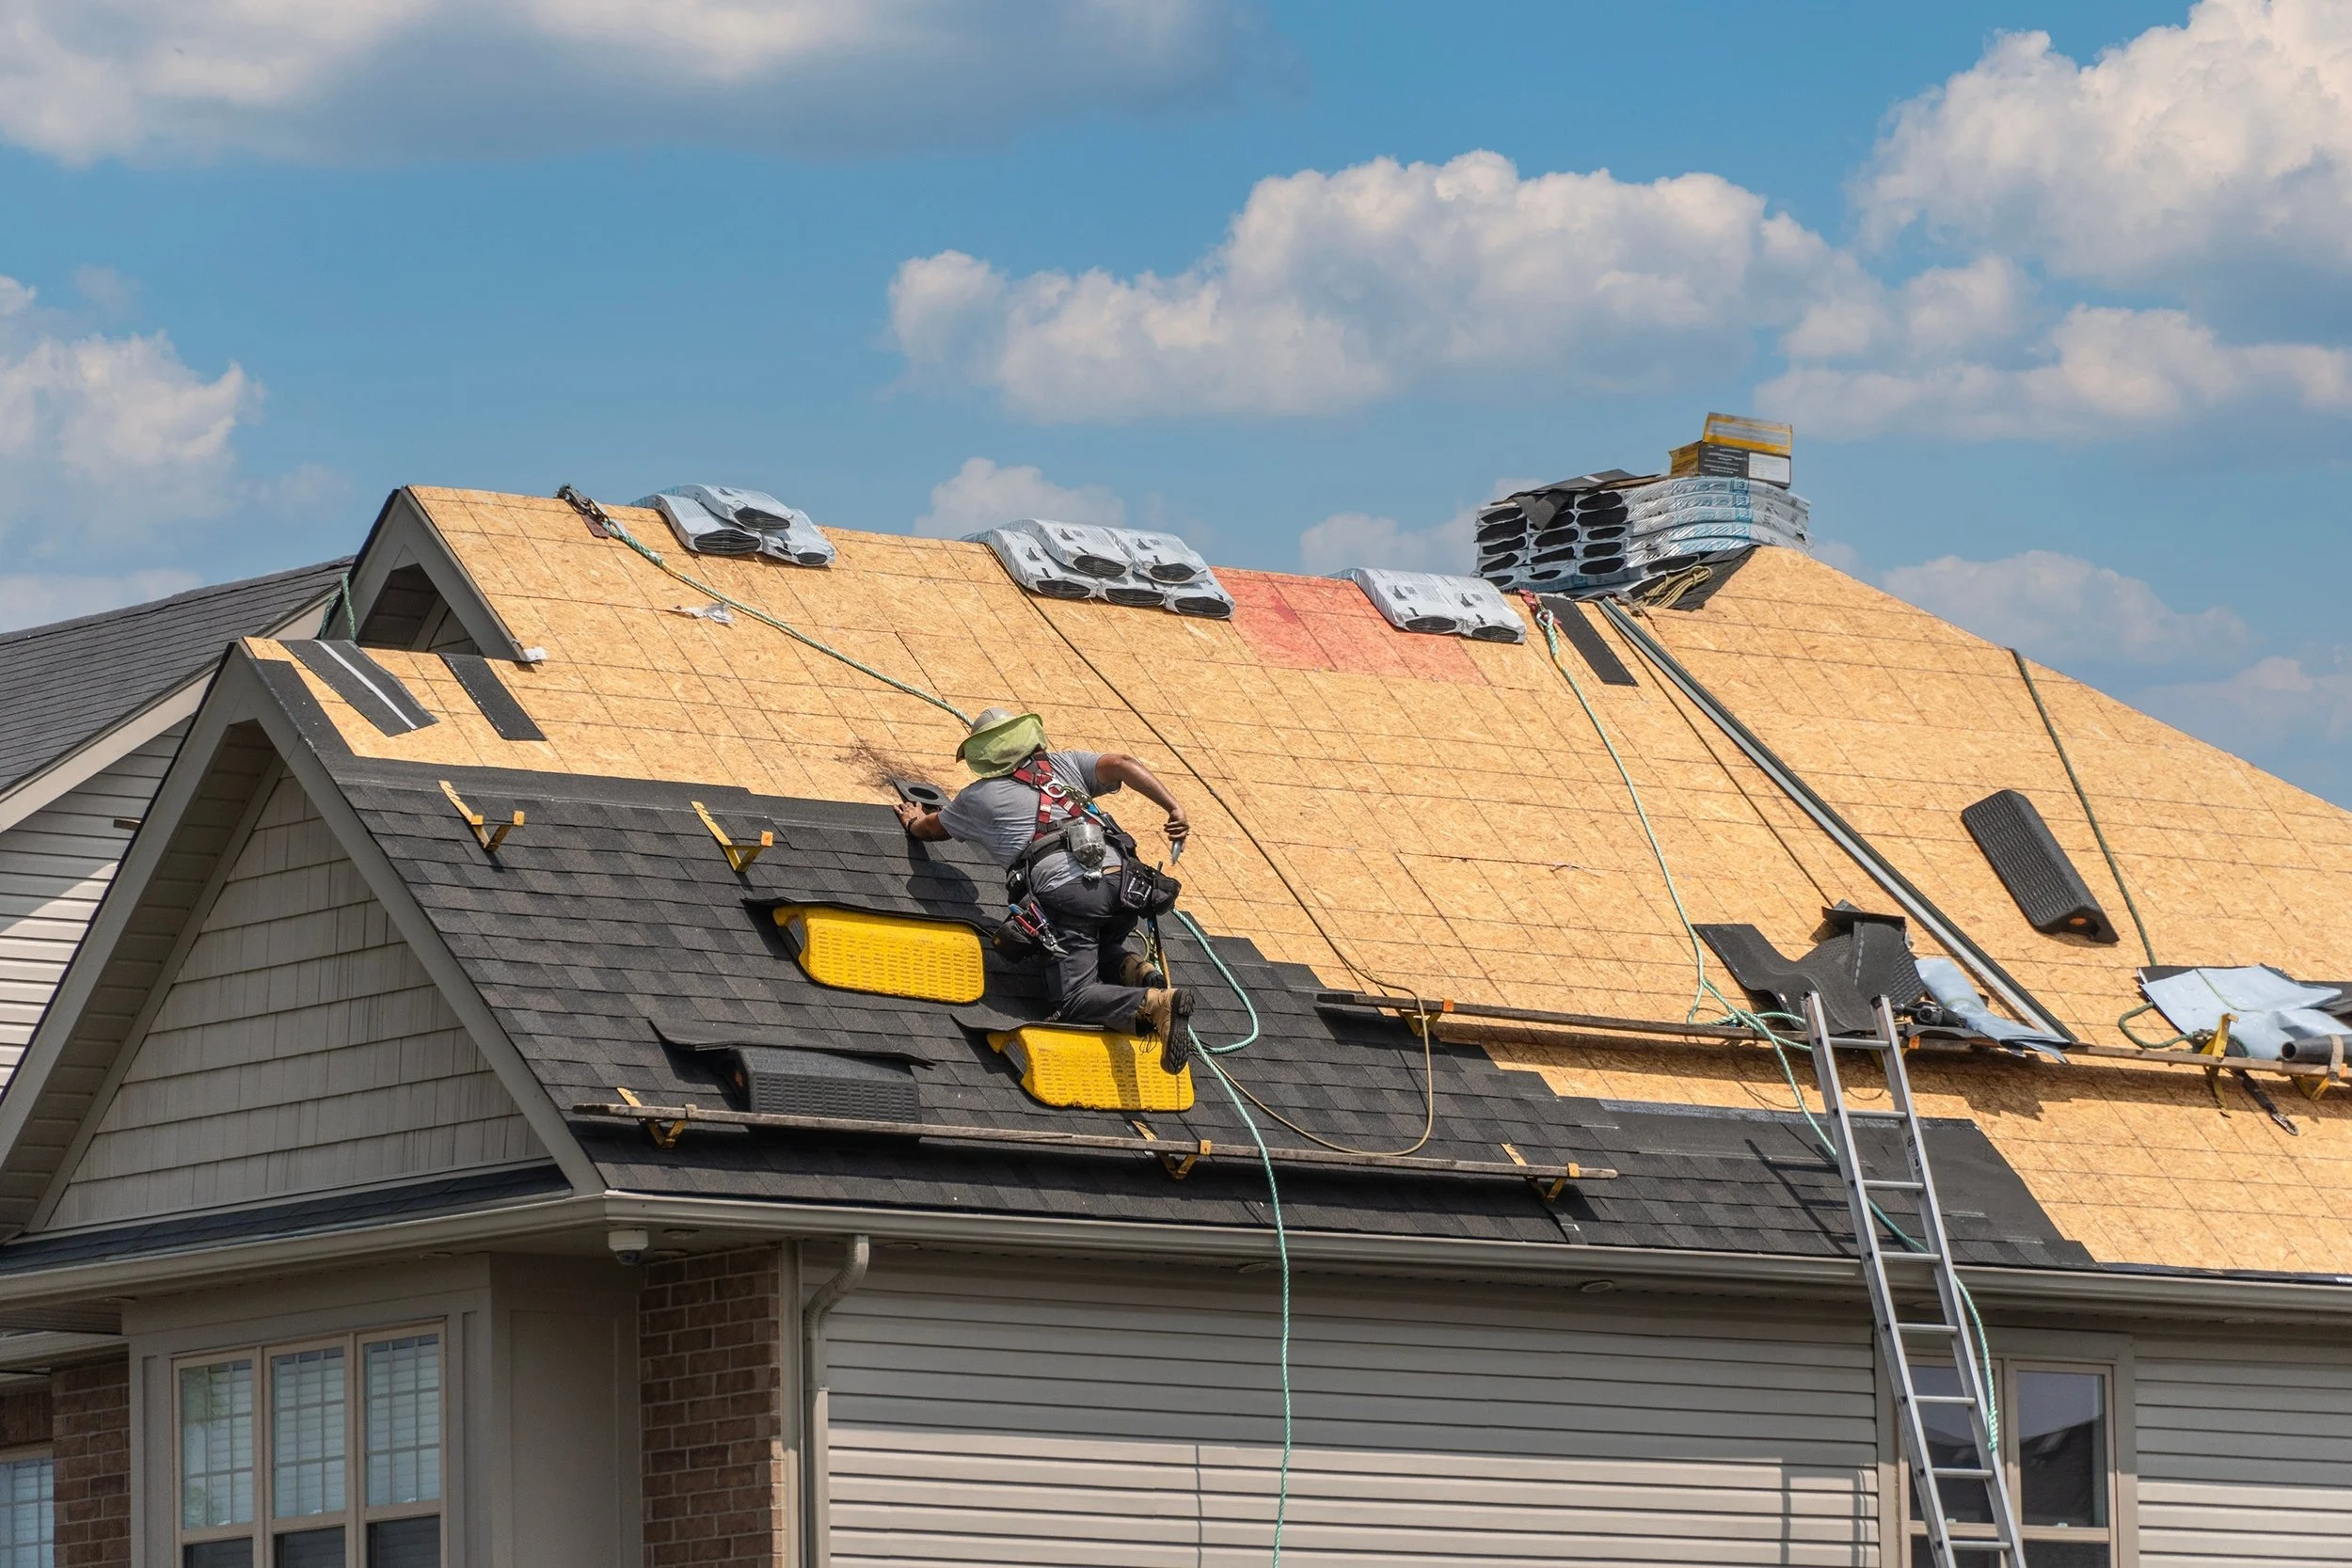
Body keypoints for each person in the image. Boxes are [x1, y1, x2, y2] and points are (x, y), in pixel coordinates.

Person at [896, 706, 1196, 1069]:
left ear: (983, 754)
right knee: (1095, 943)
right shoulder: (1065, 765)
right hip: (1127, 888)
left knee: (1074, 997)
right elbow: (1122, 763)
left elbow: (930, 829)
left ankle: (1152, 1003)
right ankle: (1136, 969)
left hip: (1071, 894)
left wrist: (913, 822)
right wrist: (1173, 807)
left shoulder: (978, 798)